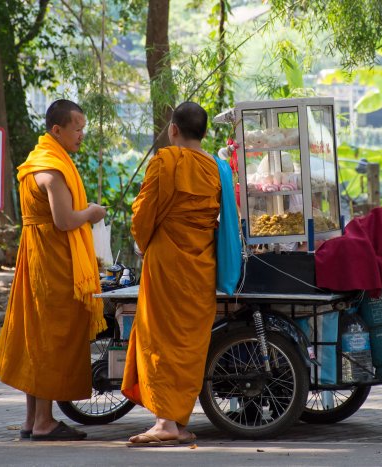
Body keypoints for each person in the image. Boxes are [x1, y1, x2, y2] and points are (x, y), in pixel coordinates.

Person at [0, 99, 107, 441]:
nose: (81, 135)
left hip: (37, 256)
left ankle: (31, 420)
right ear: (57, 130)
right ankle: (44, 422)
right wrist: (91, 212)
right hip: (52, 262)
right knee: (51, 339)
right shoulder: (51, 169)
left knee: (37, 336)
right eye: (77, 129)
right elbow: (64, 219)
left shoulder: (35, 161)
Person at [122, 102, 221, 446]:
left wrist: (142, 242)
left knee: (162, 338)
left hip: (166, 261)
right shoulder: (217, 168)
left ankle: (165, 423)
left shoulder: (164, 161)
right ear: (204, 133)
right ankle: (178, 422)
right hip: (202, 265)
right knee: (189, 343)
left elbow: (143, 213)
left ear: (174, 130)